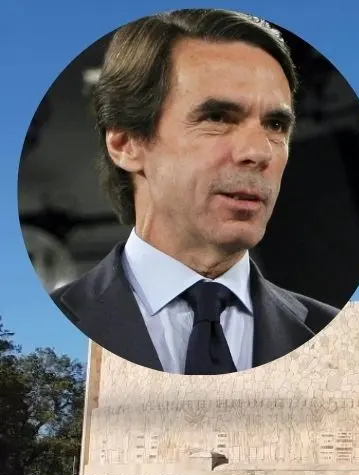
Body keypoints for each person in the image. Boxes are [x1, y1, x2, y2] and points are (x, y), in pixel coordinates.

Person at [49, 9, 338, 375]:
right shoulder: (56, 326)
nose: (259, 152)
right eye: (218, 118)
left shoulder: (334, 334)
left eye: (276, 124)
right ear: (126, 143)